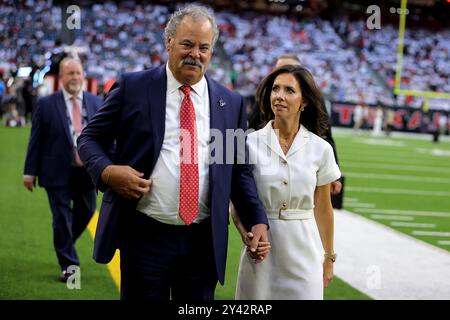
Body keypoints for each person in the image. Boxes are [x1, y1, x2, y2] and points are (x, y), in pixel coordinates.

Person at [77, 4, 269, 301]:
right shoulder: (134, 87)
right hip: (144, 236)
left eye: (204, 47)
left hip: (202, 242)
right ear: (169, 42)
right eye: (187, 44)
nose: (195, 54)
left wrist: (257, 219)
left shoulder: (228, 103)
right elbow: (90, 138)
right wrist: (106, 171)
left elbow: (237, 170)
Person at [233, 64, 341, 299]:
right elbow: (237, 202)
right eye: (275, 89)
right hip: (260, 254)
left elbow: (323, 207)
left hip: (305, 252)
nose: (279, 96)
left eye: (289, 91)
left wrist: (329, 257)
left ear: (304, 101)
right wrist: (245, 234)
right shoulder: (248, 143)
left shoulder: (321, 149)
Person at [23, 58, 102, 282]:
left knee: (87, 211)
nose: (75, 77)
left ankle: (63, 241)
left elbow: (106, 139)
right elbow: (35, 140)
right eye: (70, 74)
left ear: (83, 75)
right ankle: (69, 265)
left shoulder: (97, 103)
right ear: (62, 77)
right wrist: (29, 172)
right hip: (56, 171)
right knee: (61, 217)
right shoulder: (46, 104)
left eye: (78, 73)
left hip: (86, 173)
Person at [249, 54, 342, 195]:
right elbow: (251, 128)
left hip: (304, 164)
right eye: (279, 69)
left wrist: (334, 174)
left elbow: (326, 136)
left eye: (290, 90)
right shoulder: (263, 99)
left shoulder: (316, 102)